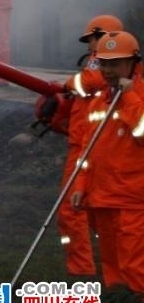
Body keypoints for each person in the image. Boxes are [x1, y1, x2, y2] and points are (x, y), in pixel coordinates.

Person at [47, 15, 123, 280]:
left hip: (87, 147)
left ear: (104, 37)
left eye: (92, 39)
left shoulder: (103, 65)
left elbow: (86, 82)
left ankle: (82, 272)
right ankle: (112, 268)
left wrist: (69, 84)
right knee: (96, 213)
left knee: (71, 211)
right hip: (91, 143)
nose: (89, 45)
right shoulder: (116, 67)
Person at [70, 31, 144, 295]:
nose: (108, 70)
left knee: (135, 264)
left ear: (133, 63)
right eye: (104, 63)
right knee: (111, 264)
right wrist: (80, 185)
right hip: (102, 198)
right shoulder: (99, 102)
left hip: (133, 200)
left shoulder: (139, 97)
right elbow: (87, 152)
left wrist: (130, 97)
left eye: (115, 63)